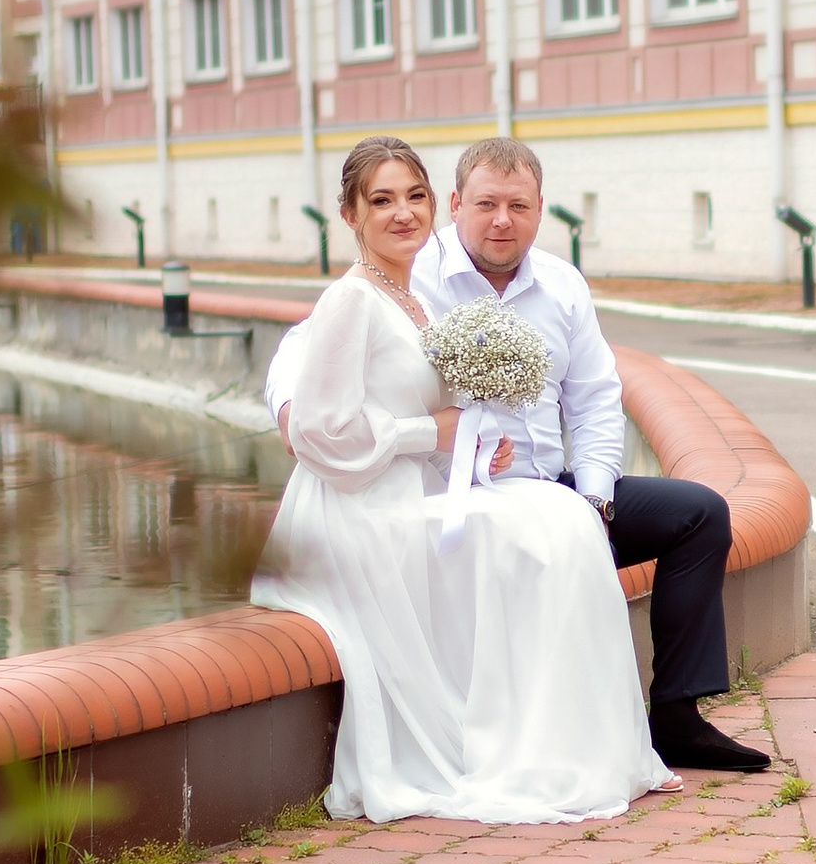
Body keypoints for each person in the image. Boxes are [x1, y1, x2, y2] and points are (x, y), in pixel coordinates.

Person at [249, 135, 671, 826]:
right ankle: (530, 742)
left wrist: (474, 448)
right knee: (546, 531)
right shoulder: (352, 300)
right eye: (381, 200)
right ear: (350, 214)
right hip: (360, 510)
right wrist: (433, 433)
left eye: (413, 196)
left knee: (564, 518)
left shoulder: (410, 297)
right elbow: (319, 436)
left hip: (412, 491)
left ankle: (561, 740)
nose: (403, 213)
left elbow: (584, 397)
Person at [414, 139, 770, 777]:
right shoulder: (417, 281)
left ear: (540, 208)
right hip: (459, 502)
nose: (502, 220)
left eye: (518, 206)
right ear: (455, 203)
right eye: (487, 204)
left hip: (555, 488)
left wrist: (597, 498)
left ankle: (677, 716)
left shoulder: (560, 283)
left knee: (698, 513)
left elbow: (596, 403)